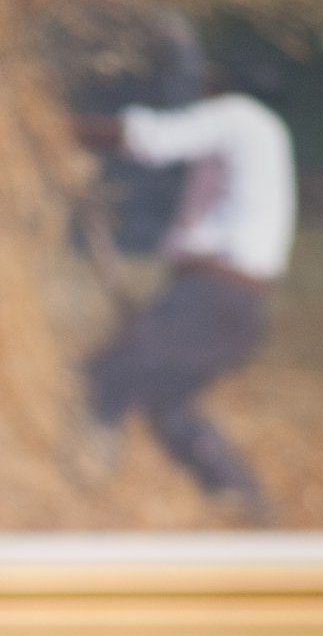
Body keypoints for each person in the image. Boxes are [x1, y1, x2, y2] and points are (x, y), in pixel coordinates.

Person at [74, 89, 297, 522]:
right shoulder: (268, 134)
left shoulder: (238, 115)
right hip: (234, 308)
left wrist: (62, 130)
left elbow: (150, 137)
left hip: (211, 301)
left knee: (98, 382)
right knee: (168, 408)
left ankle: (73, 497)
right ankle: (249, 512)